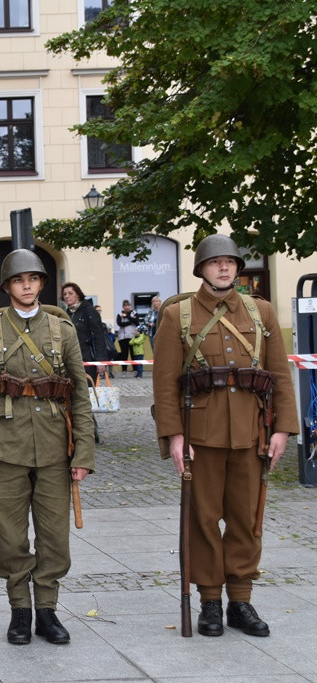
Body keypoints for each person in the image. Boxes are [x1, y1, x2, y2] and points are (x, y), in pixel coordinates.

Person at [153, 234, 297, 638]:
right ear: (201, 268)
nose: (224, 268)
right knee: (202, 520)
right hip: (201, 433)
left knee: (247, 520)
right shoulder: (178, 316)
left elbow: (279, 376)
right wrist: (174, 437)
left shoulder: (261, 311)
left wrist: (283, 428)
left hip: (252, 431)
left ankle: (241, 600)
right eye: (215, 263)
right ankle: (210, 602)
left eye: (230, 262)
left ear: (238, 267)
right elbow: (165, 384)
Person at [0, 249, 94, 646]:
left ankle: (47, 612)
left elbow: (79, 395)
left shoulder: (62, 331)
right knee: (11, 538)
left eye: (33, 279)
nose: (27, 285)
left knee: (54, 538)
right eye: (19, 280)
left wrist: (83, 452)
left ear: (41, 284)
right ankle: (20, 611)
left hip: (53, 447)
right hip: (4, 447)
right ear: (7, 287)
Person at [60, 282, 108, 382]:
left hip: (87, 358)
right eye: (64, 294)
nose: (66, 296)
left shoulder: (89, 311)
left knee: (87, 390)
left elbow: (98, 336)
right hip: (70, 359)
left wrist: (100, 361)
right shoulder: (66, 313)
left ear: (78, 294)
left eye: (70, 293)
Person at [115, 300, 139, 374]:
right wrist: (130, 322)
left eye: (128, 305)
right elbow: (120, 324)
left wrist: (128, 317)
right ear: (123, 307)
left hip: (133, 337)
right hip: (123, 337)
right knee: (124, 354)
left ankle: (135, 369)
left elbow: (137, 322)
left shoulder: (134, 313)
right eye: (125, 306)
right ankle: (124, 370)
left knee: (133, 354)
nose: (127, 307)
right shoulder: (119, 314)